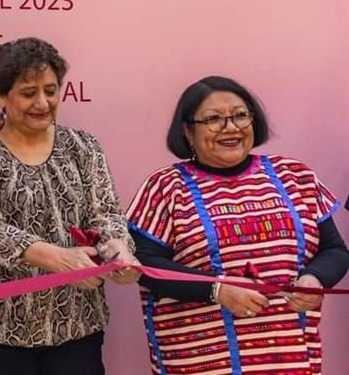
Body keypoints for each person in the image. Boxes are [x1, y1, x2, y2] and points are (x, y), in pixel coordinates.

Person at [0, 37, 139, 375]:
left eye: (51, 90)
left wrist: (118, 250)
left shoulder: (83, 146)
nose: (43, 102)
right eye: (29, 93)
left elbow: (105, 214)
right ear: (0, 95)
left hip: (74, 324)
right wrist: (60, 259)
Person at [127, 75, 349, 375]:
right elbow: (143, 264)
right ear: (188, 132)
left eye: (240, 115)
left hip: (290, 357)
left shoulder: (295, 175)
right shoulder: (166, 187)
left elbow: (334, 249)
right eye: (213, 119)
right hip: (200, 361)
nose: (230, 127)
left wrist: (315, 279)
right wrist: (217, 290)